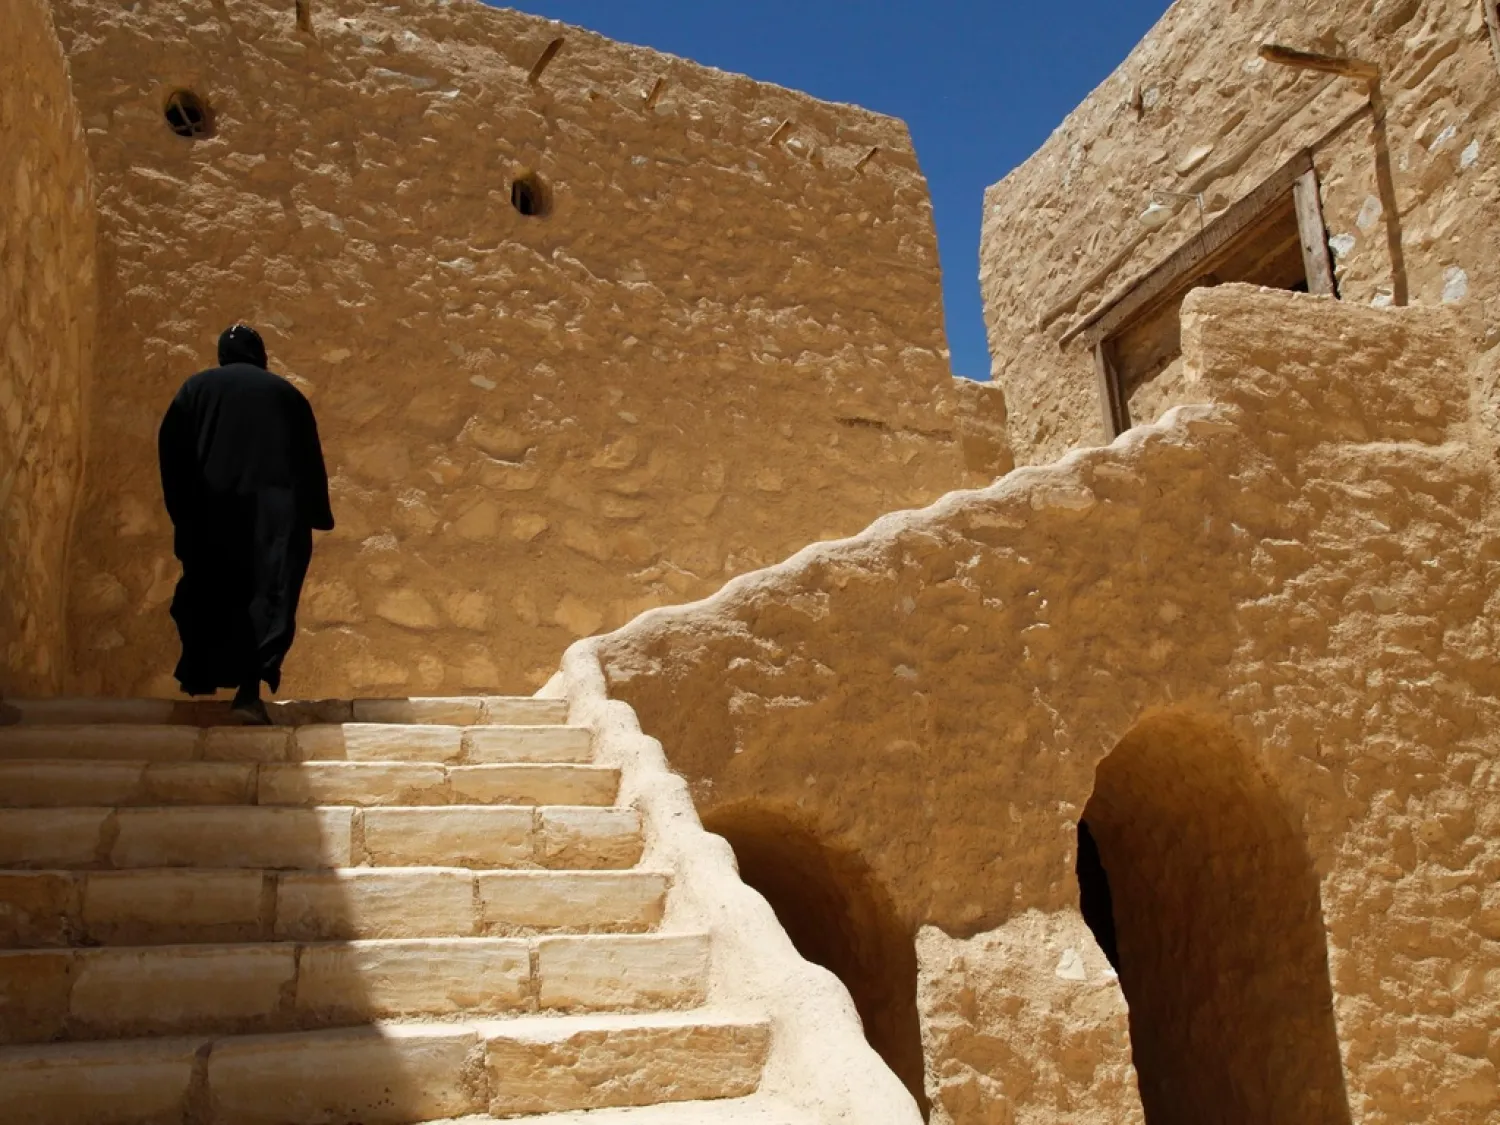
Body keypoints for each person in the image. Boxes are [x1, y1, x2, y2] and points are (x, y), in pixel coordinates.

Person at [157, 324, 334, 724]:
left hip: (211, 515)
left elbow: (172, 452)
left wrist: (184, 512)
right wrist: (313, 515)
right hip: (274, 521)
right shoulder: (286, 395)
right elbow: (308, 458)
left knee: (214, 592)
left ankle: (206, 677)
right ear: (261, 355)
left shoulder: (195, 390)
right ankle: (249, 692)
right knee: (266, 598)